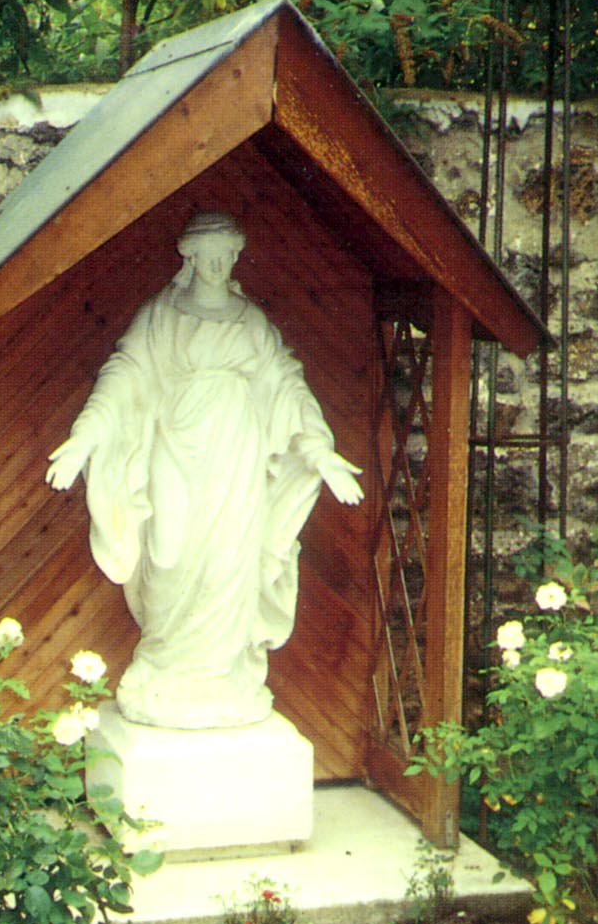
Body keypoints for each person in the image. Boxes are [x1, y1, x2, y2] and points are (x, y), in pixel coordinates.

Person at [46, 211, 362, 729]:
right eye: (208, 255)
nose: (218, 265)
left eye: (227, 255)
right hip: (176, 446)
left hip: (237, 453)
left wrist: (320, 451)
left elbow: (287, 384)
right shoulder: (162, 315)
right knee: (169, 553)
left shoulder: (250, 321)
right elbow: (125, 374)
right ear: (188, 257)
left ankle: (221, 678)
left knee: (229, 559)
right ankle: (162, 669)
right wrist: (84, 439)